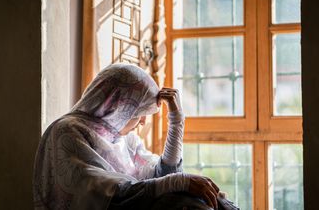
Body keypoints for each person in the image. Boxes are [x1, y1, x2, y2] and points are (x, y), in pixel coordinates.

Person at [33, 63, 238, 210]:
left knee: (209, 196)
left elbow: (162, 176)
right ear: (117, 107)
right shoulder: (67, 132)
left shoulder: (123, 140)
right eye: (138, 115)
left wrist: (176, 122)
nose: (142, 123)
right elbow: (109, 198)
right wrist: (178, 183)